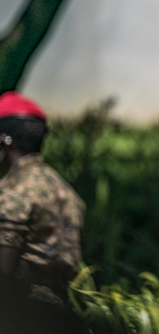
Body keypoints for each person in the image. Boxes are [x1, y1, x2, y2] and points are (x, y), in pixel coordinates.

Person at [0, 92, 86, 334]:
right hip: (60, 312)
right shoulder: (63, 189)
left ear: (4, 142)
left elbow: (4, 271)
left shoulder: (12, 190)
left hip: (19, 313)